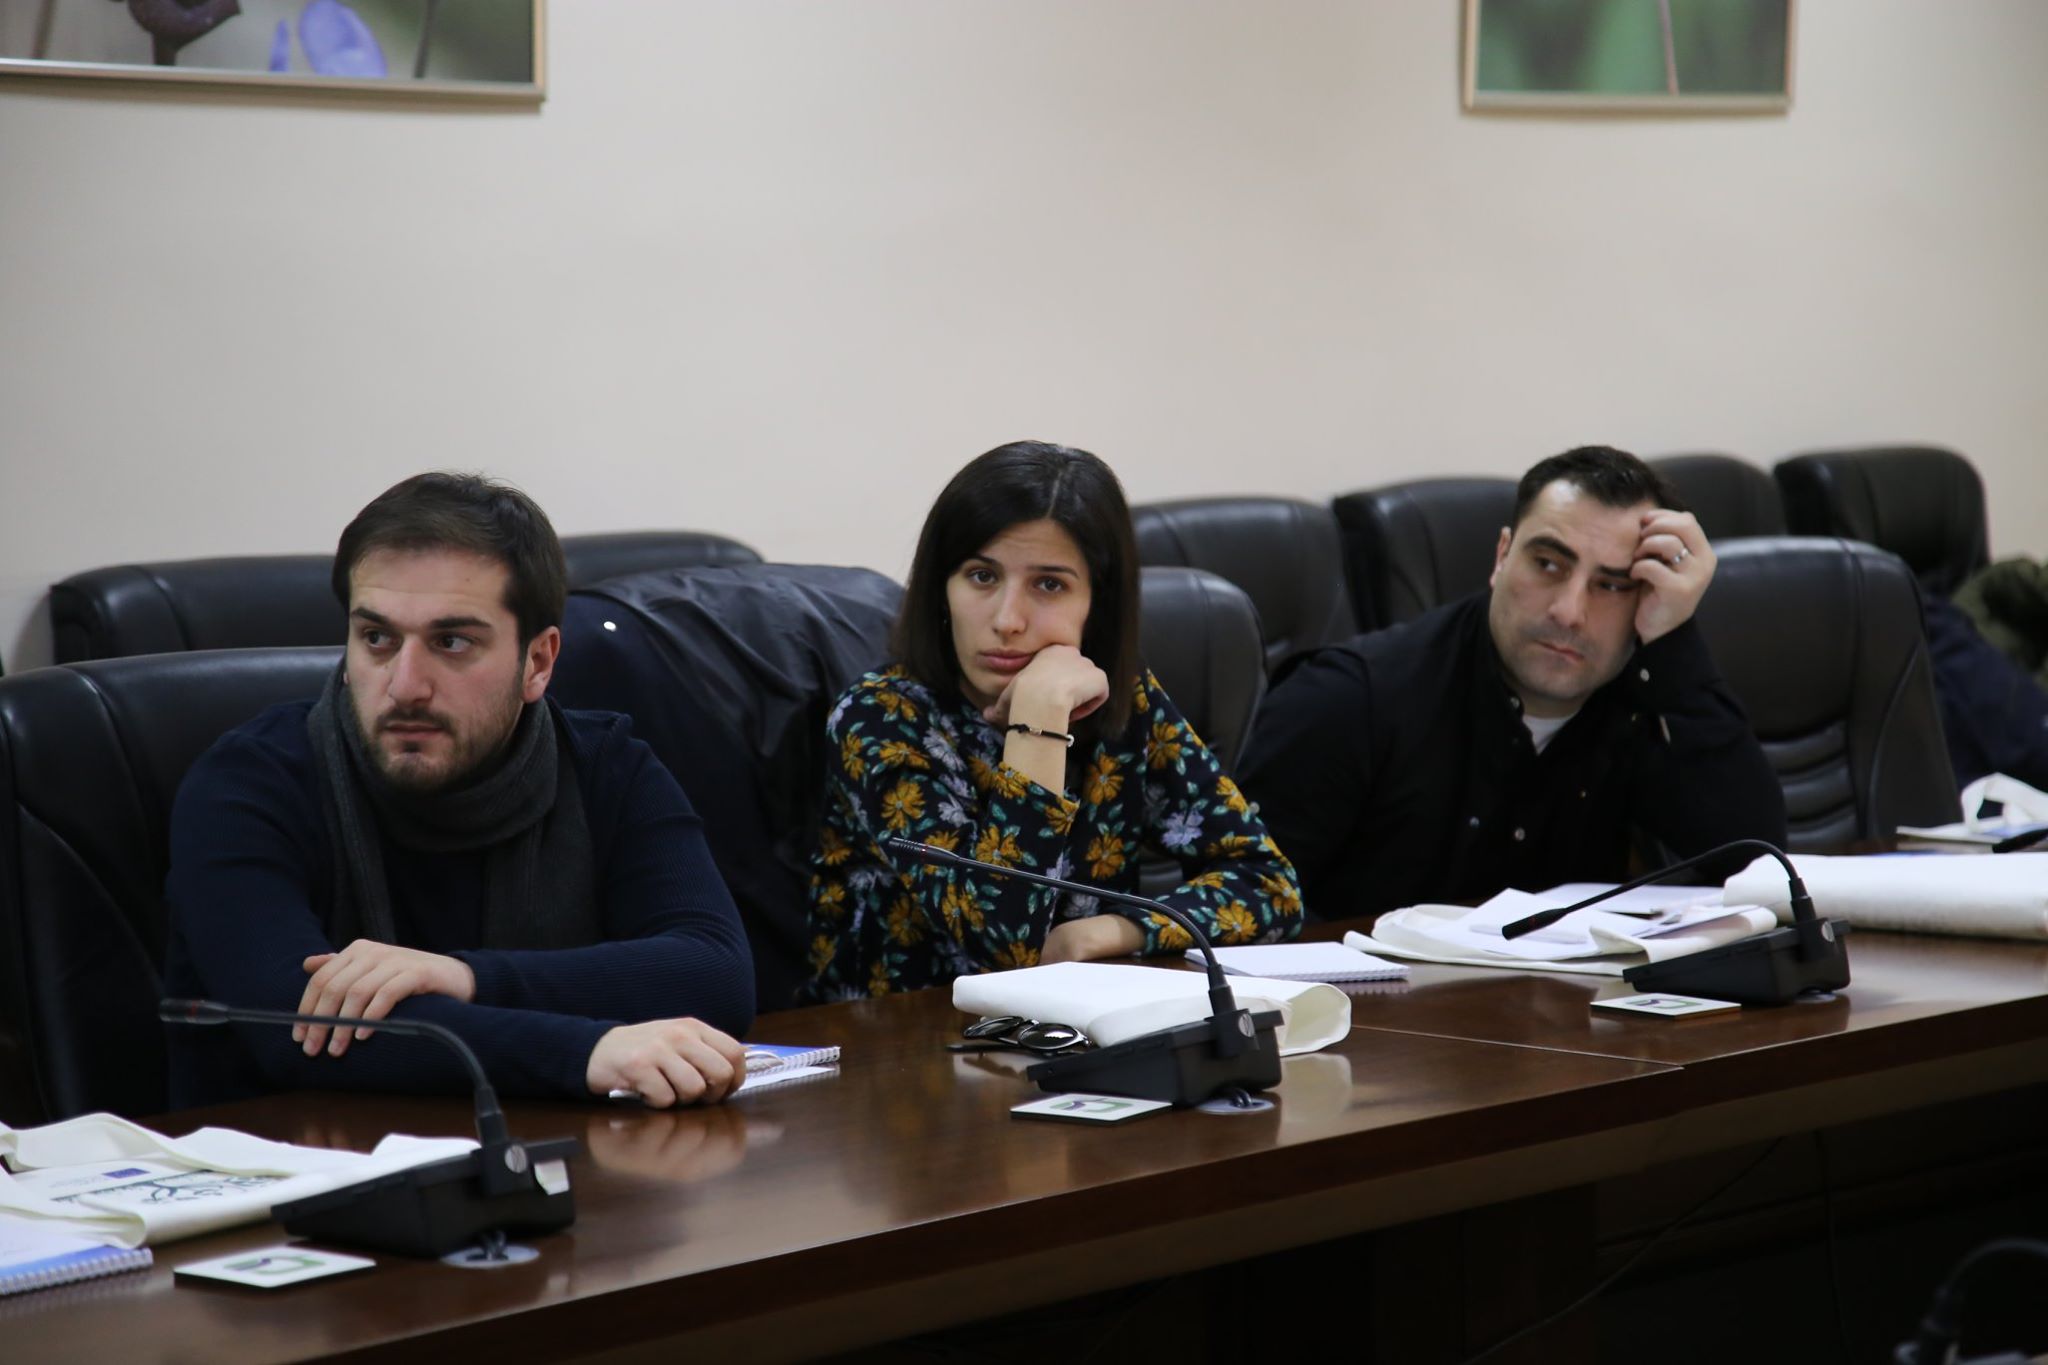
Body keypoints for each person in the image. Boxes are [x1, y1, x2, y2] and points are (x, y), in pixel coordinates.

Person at [163, 473, 756, 1109]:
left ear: (538, 662)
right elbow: (297, 1027)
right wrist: (585, 1051)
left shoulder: (606, 764)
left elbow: (715, 975)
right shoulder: (247, 783)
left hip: (552, 1151)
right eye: (377, 638)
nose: (405, 686)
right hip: (294, 1160)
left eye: (451, 642)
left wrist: (467, 977)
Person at [805, 440, 1302, 998]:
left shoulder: (1124, 699)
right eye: (981, 576)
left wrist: (1104, 932)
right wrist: (1038, 722)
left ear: (1097, 602)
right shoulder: (878, 716)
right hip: (897, 1039)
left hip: (1076, 1025)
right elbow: (1003, 948)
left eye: (1049, 585)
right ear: (942, 588)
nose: (1007, 620)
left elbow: (1270, 886)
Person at [1239, 445, 1786, 920]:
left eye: (1612, 586)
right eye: (1548, 564)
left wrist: (1675, 640)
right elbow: (1244, 905)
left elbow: (1752, 863)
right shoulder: (1346, 698)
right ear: (1502, 556)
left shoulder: (1642, 699)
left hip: (1575, 1004)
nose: (1569, 611)